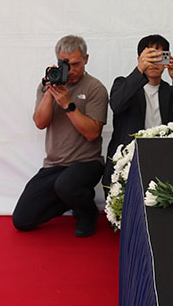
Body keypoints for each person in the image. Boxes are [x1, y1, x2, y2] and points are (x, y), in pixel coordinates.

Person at [12, 35, 109, 237]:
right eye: (65, 64)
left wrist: (67, 104)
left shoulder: (95, 88)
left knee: (66, 184)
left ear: (86, 59)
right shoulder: (47, 86)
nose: (71, 70)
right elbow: (40, 123)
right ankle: (69, 198)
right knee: (22, 220)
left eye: (76, 64)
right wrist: (50, 92)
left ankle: (87, 212)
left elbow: (92, 133)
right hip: (54, 165)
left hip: (87, 163)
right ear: (57, 60)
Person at [105, 34, 173, 178]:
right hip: (128, 159)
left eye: (159, 57)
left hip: (164, 157)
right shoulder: (123, 84)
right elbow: (117, 105)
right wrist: (140, 70)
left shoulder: (169, 90)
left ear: (167, 59)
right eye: (150, 56)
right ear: (139, 59)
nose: (154, 63)